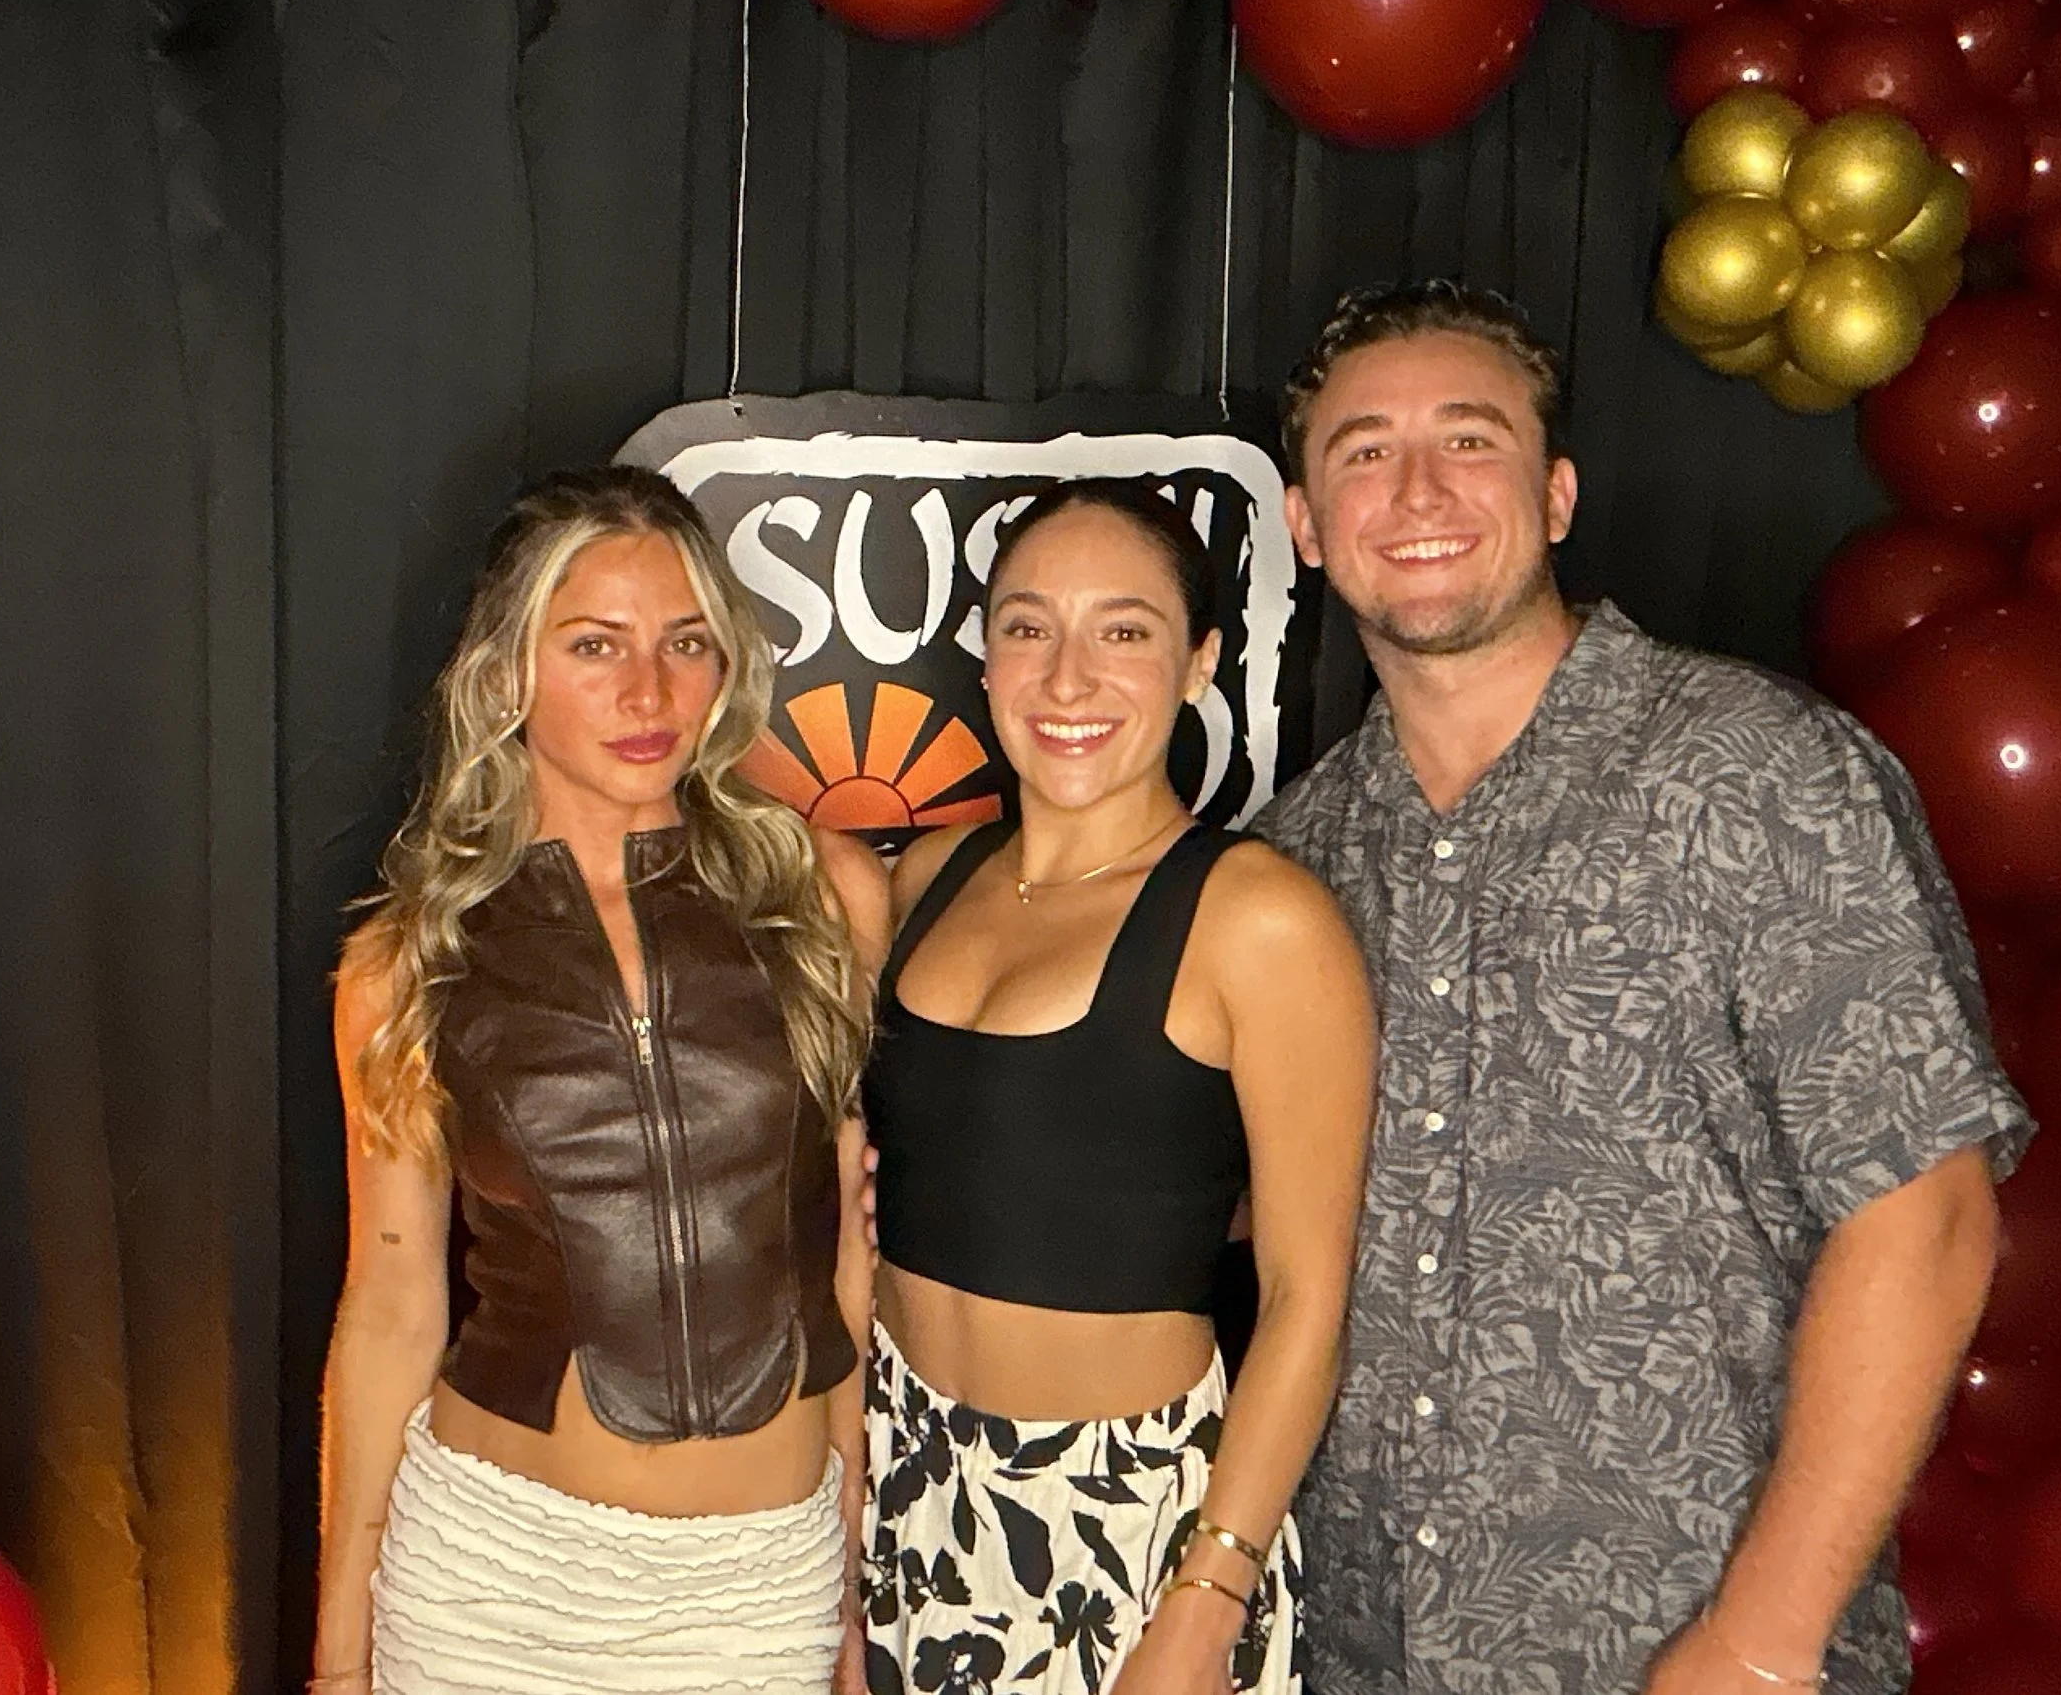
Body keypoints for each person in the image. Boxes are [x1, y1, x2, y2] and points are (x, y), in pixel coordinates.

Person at [1251, 281, 2030, 1695]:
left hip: (1698, 1649)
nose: (1416, 490)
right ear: (1306, 524)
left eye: (1468, 439)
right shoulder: (1296, 859)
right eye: (1364, 452)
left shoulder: (1753, 770)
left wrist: (1760, 1641)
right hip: (1360, 1650)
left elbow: (1924, 1214)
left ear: (1554, 494)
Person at [313, 465, 890, 1695]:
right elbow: (392, 1307)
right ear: (506, 673)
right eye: (594, 645)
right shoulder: (407, 963)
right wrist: (339, 1660)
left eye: (686, 643)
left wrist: (846, 1591)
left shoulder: (822, 899)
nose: (648, 692)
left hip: (754, 1590)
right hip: (492, 1578)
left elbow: (843, 1267)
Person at [860, 477, 1379, 1695]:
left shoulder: (1258, 919)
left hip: (1124, 1524)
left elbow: (1306, 1296)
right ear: (986, 656)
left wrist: (1208, 1601)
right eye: (1028, 628)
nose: (1067, 679)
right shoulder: (926, 877)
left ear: (1199, 663)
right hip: (899, 1482)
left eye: (1124, 631)